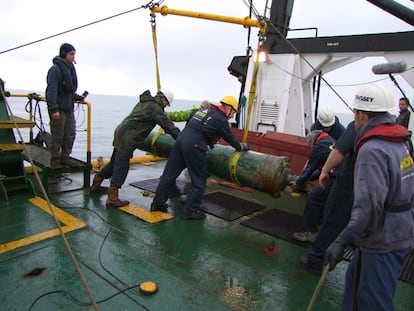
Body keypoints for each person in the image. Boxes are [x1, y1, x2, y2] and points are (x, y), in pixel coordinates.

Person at [324, 83, 414, 311]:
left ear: (362, 114)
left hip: (382, 238)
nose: (354, 117)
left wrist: (343, 239)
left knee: (373, 302)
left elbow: (369, 206)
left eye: (355, 112)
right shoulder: (401, 141)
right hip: (400, 230)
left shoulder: (372, 150)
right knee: (354, 287)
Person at [150, 95, 249, 219]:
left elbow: (192, 122)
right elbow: (230, 138)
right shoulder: (221, 119)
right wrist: (241, 146)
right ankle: (190, 211)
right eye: (233, 112)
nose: (232, 115)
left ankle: (157, 204)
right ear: (228, 108)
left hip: (181, 139)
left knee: (169, 174)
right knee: (199, 180)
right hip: (195, 144)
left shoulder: (203, 110)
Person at [90, 89, 180, 208]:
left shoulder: (145, 102)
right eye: (167, 104)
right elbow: (167, 126)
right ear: (164, 99)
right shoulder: (155, 108)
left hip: (121, 132)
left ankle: (96, 185)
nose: (166, 106)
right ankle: (112, 198)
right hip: (128, 138)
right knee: (121, 166)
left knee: (114, 163)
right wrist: (181, 138)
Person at [300, 121, 356, 274]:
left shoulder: (356, 126)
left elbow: (338, 152)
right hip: (359, 185)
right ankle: (313, 233)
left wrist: (325, 171)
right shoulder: (394, 137)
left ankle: (316, 260)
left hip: (344, 182)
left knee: (330, 217)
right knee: (317, 198)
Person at [290, 129, 335, 242]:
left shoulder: (318, 147)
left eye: (309, 144)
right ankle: (320, 226)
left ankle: (310, 232)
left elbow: (310, 168)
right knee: (324, 200)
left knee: (314, 197)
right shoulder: (330, 140)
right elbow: (319, 170)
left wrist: (298, 184)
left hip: (337, 178)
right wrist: (303, 180)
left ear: (312, 141)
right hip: (341, 176)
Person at [46, 43, 85, 169]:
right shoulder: (55, 70)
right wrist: (53, 109)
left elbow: (68, 91)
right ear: (64, 54)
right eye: (71, 54)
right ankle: (55, 161)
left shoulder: (69, 70)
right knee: (58, 136)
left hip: (69, 109)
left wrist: (78, 97)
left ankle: (65, 157)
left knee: (70, 134)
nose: (74, 57)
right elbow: (51, 91)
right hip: (59, 109)